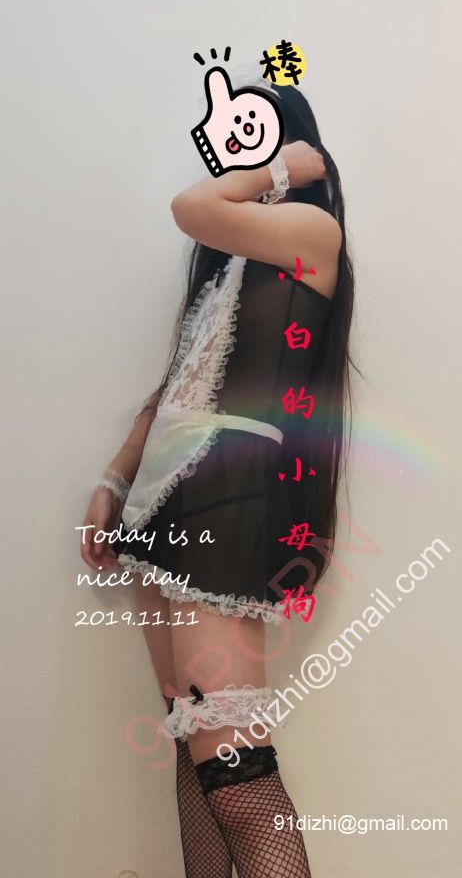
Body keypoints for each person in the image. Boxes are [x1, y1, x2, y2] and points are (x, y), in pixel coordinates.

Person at [80, 74, 356, 877]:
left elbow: (190, 203)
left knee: (235, 775)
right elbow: (179, 381)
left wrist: (287, 169)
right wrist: (113, 480)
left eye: (253, 127)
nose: (234, 143)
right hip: (163, 496)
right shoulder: (224, 257)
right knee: (192, 747)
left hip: (230, 495)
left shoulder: (310, 229)